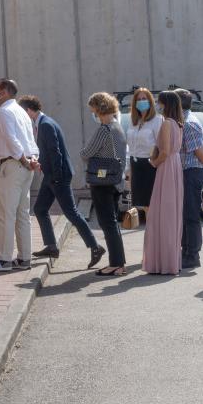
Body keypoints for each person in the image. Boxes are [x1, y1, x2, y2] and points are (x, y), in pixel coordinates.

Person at [18, 95, 106, 268]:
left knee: (71, 212)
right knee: (40, 209)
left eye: (22, 113)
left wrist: (56, 178)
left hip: (58, 176)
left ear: (28, 111)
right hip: (51, 176)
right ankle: (51, 247)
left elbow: (55, 152)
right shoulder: (43, 123)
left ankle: (95, 247)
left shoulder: (45, 125)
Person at [0, 79, 39, 272]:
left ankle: (4, 259)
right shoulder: (21, 111)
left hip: (13, 165)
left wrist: (22, 159)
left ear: (3, 93)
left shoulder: (5, 111)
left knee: (6, 214)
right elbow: (31, 140)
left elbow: (12, 140)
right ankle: (24, 258)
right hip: (26, 166)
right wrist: (31, 160)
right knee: (22, 215)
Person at [81, 92, 127, 277]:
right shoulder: (117, 126)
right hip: (115, 180)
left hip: (102, 182)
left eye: (92, 108)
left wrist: (84, 152)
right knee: (112, 222)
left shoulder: (104, 129)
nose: (92, 112)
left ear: (99, 108)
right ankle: (118, 263)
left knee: (107, 223)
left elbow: (86, 153)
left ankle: (116, 264)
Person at [143, 91, 185, 275]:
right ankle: (169, 260)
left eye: (159, 102)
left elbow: (165, 151)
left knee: (162, 214)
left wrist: (154, 163)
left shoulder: (167, 123)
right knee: (170, 213)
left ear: (165, 104)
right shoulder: (178, 123)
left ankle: (163, 262)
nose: (157, 105)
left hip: (166, 167)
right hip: (175, 166)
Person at [175, 88, 203, 269]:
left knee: (191, 215)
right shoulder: (182, 121)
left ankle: (193, 254)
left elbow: (198, 150)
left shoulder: (189, 123)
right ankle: (186, 251)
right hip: (187, 171)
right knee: (185, 214)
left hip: (191, 172)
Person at [126, 88, 162, 223]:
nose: (141, 101)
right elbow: (130, 147)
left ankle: (154, 232)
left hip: (150, 165)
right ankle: (151, 231)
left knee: (152, 204)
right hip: (135, 164)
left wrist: (156, 163)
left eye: (144, 99)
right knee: (144, 205)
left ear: (150, 101)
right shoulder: (133, 121)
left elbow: (160, 145)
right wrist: (129, 169)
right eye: (139, 99)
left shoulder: (157, 120)